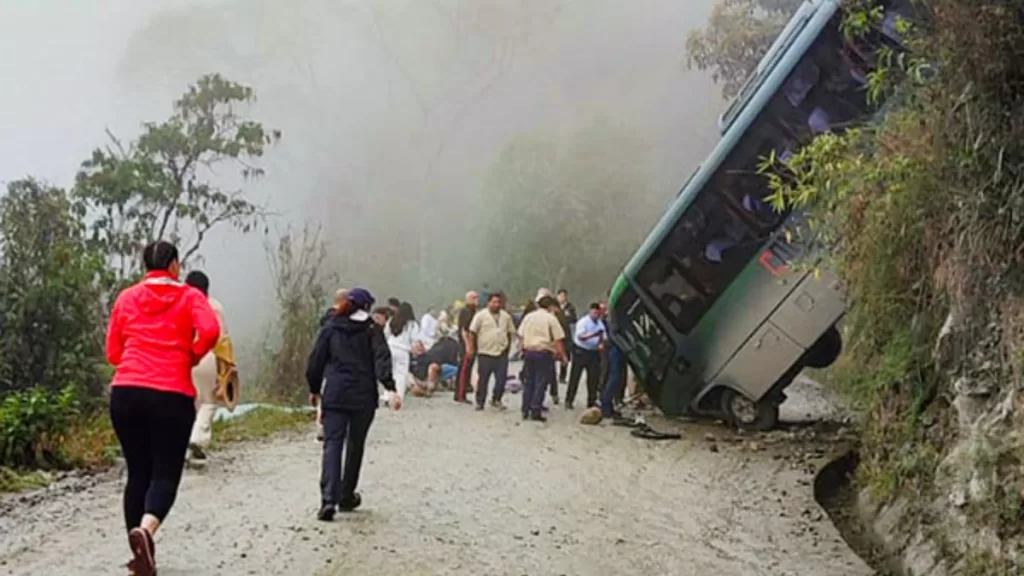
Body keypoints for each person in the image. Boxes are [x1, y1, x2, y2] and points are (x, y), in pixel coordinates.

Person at [105, 240, 220, 576]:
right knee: (165, 472)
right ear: (173, 265)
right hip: (171, 393)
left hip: (126, 392)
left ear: (145, 266)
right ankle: (147, 531)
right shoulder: (189, 296)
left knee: (137, 470)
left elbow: (113, 352)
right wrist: (192, 354)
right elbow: (210, 329)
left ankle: (137, 553)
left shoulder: (127, 297)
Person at [306, 287, 399, 522]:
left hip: (335, 394)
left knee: (332, 445)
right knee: (355, 445)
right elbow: (381, 358)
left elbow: (316, 361)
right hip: (363, 396)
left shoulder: (330, 328)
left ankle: (328, 500)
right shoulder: (372, 330)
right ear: (366, 307)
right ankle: (346, 495)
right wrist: (390, 387)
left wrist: (314, 389)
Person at [183, 270, 231, 462]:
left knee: (190, 402)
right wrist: (226, 367)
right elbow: (223, 339)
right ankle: (198, 439)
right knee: (209, 401)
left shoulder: (181, 305)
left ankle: (184, 442)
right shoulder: (215, 307)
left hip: (185, 357)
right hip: (208, 356)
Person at [517, 295, 566, 422]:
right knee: (540, 382)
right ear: (550, 306)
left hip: (529, 352)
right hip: (543, 353)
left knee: (529, 381)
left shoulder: (529, 317)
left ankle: (525, 409)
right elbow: (558, 339)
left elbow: (520, 335)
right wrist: (562, 356)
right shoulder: (551, 318)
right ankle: (536, 410)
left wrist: (521, 348)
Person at [468, 291, 516, 411]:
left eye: (498, 302)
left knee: (501, 379)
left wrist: (508, 347)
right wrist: (472, 347)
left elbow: (510, 332)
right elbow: (472, 332)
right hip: (485, 352)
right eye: (493, 302)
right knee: (483, 379)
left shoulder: (505, 316)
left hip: (501, 353)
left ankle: (496, 399)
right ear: (488, 302)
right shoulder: (481, 315)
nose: (496, 304)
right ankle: (480, 402)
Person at [565, 302, 606, 410]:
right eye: (594, 313)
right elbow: (581, 337)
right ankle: (569, 400)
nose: (596, 315)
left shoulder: (600, 323)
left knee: (593, 378)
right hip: (581, 351)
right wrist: (594, 334)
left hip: (593, 352)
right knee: (575, 376)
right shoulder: (583, 322)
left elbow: (603, 336)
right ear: (590, 311)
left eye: (598, 313)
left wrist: (601, 342)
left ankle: (591, 401)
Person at [384, 302, 421, 403]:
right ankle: (398, 398)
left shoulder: (392, 320)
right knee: (400, 375)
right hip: (403, 351)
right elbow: (415, 340)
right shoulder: (412, 324)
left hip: (390, 348)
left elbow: (386, 334)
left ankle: (388, 396)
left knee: (389, 373)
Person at [454, 291, 479, 404]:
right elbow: (464, 330)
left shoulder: (474, 311)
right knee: (464, 370)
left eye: (476, 298)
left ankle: (463, 392)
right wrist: (468, 346)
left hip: (472, 344)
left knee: (468, 369)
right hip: (466, 345)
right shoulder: (466, 311)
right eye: (473, 298)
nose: (476, 300)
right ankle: (460, 394)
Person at [556, 289, 578, 384]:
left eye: (564, 296)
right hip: (555, 334)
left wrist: (567, 316)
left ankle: (562, 376)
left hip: (566, 334)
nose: (562, 298)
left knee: (566, 355)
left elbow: (574, 319)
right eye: (560, 296)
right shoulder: (554, 307)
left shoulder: (570, 307)